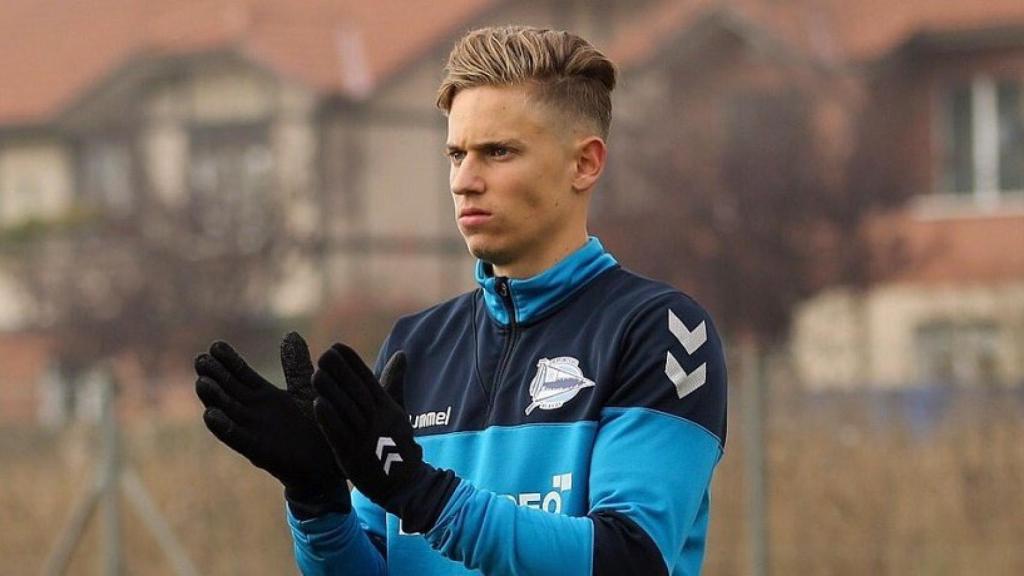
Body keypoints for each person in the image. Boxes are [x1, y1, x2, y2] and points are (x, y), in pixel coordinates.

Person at [194, 25, 727, 575]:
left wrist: (423, 493)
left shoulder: (662, 331)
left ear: (585, 164)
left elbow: (630, 559)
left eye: (498, 152)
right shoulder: (414, 345)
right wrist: (317, 502)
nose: (464, 180)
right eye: (456, 154)